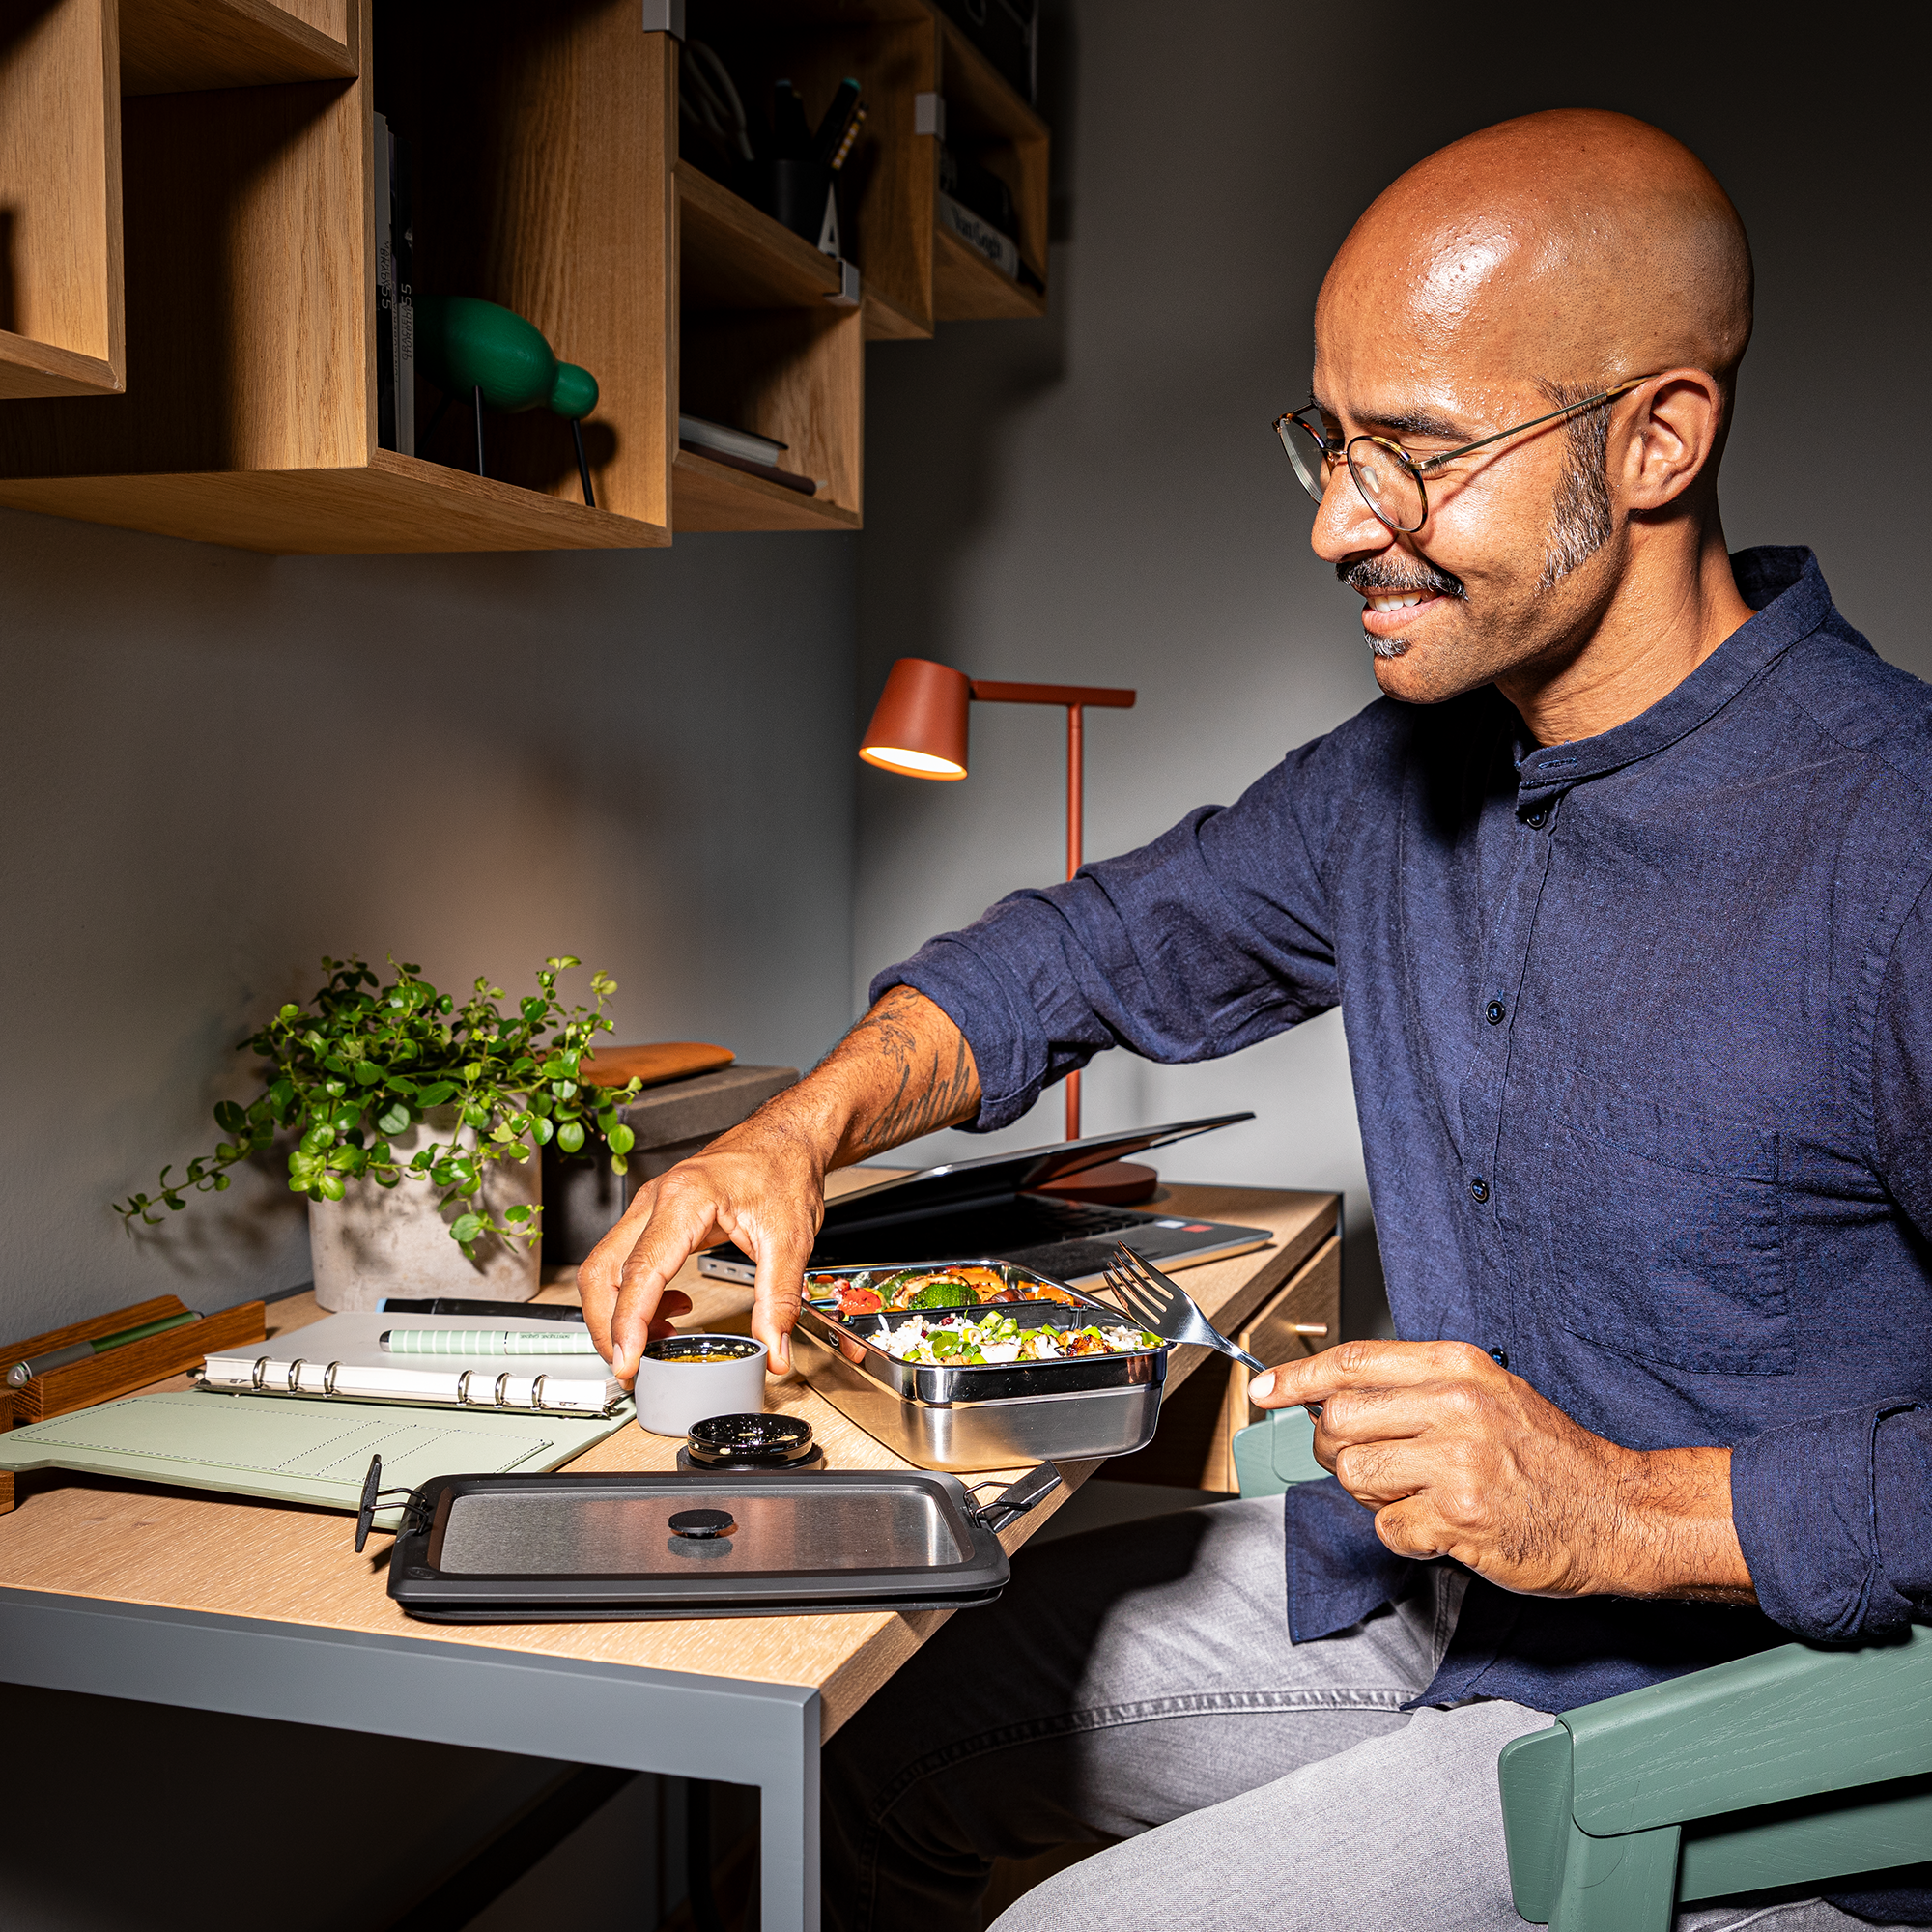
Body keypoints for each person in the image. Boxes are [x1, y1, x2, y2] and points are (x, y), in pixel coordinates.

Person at [580, 109, 1932, 1929]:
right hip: (1441, 1615)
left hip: (1757, 1743)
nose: (1335, 523)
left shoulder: (1897, 840)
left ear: (1657, 440)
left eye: (1415, 455)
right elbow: (1074, 955)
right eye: (1330, 442)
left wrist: (1626, 1509)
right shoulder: (1392, 786)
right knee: (865, 1739)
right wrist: (790, 1132)